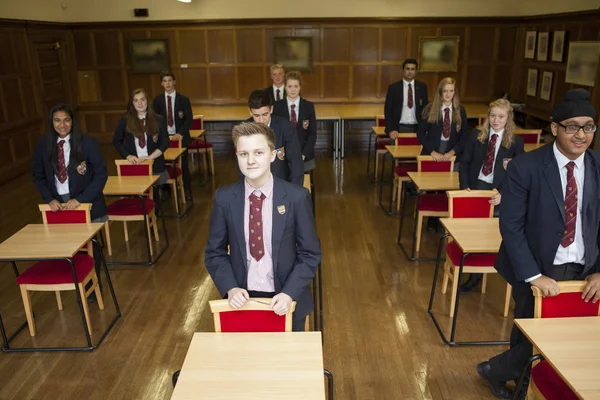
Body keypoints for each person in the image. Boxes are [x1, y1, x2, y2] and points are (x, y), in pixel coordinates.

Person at [476, 89, 600, 399]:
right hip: (534, 265)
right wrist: (534, 275)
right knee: (530, 329)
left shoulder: (599, 166)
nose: (581, 134)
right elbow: (512, 225)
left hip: (585, 269)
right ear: (555, 127)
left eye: (588, 126)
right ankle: (513, 382)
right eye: (572, 126)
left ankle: (499, 371)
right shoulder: (526, 166)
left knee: (570, 335)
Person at [204, 122, 321, 331]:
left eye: (258, 152)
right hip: (241, 301)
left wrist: (289, 293)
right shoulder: (224, 198)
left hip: (286, 301)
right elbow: (214, 253)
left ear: (273, 155)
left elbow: (310, 254)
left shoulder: (296, 197)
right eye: (243, 154)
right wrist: (230, 287)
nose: (250, 161)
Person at [31, 103, 108, 302]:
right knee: (66, 245)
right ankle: (71, 279)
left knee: (90, 245)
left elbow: (100, 175)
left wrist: (81, 199)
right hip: (58, 205)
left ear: (72, 121)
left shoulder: (87, 142)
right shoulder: (43, 144)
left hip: (86, 202)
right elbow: (38, 176)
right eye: (57, 120)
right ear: (51, 122)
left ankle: (92, 282)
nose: (62, 124)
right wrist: (49, 199)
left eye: (66, 119)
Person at [458, 99, 525, 293]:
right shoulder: (477, 135)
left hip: (498, 191)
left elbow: (518, 175)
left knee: (489, 233)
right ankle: (471, 270)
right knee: (473, 231)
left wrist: (504, 194)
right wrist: (465, 188)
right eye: (493, 116)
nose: (496, 120)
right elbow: (464, 163)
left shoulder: (515, 143)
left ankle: (483, 273)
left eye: (501, 117)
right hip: (476, 186)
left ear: (508, 118)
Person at [113, 88, 170, 191]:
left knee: (155, 196)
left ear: (147, 101)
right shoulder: (125, 119)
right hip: (134, 164)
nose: (140, 103)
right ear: (132, 103)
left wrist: (150, 157)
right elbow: (117, 140)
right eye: (136, 100)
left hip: (154, 163)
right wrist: (128, 156)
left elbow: (165, 142)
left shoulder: (158, 119)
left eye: (142, 99)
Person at [244, 89, 303, 186]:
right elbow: (242, 166)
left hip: (281, 184)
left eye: (265, 114)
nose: (261, 120)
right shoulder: (244, 130)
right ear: (250, 112)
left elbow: (296, 163)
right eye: (256, 115)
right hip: (254, 186)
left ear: (271, 109)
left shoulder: (286, 127)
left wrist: (295, 193)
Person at [152, 71, 193, 200]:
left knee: (183, 165)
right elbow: (154, 119)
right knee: (163, 164)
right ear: (161, 84)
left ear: (174, 82)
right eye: (165, 81)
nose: (167, 83)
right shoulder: (158, 100)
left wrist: (180, 133)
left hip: (180, 137)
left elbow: (188, 119)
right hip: (164, 138)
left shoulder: (183, 100)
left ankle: (186, 189)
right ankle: (165, 190)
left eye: (170, 80)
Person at [273, 70, 317, 172]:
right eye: (290, 86)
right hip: (283, 157)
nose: (293, 90)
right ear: (285, 86)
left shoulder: (308, 106)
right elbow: (275, 133)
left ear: (300, 87)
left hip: (304, 156)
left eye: (296, 86)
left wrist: (303, 154)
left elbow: (312, 134)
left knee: (304, 184)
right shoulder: (277, 107)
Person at [417, 77, 468, 163]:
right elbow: (420, 133)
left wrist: (452, 152)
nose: (448, 94)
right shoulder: (430, 109)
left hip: (453, 153)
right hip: (431, 152)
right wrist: (432, 152)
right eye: (445, 91)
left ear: (454, 92)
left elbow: (464, 135)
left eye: (451, 91)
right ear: (440, 92)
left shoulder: (460, 110)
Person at [384, 58, 428, 140]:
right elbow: (388, 110)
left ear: (416, 71)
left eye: (413, 69)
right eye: (407, 69)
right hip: (398, 129)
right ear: (403, 70)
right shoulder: (394, 88)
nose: (410, 72)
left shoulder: (422, 87)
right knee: (397, 152)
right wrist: (391, 130)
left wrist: (424, 128)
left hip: (417, 128)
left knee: (415, 152)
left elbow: (425, 110)